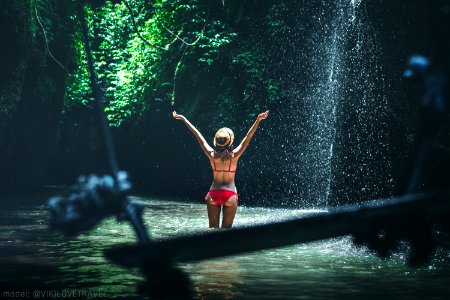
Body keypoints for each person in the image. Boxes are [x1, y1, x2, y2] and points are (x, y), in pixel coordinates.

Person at [172, 110, 269, 228]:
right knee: (226, 232)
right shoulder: (234, 156)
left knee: (212, 230)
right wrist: (258, 120)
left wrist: (183, 119)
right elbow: (248, 138)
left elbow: (197, 135)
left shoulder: (211, 155)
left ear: (216, 143)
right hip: (230, 195)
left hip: (214, 194)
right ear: (230, 143)